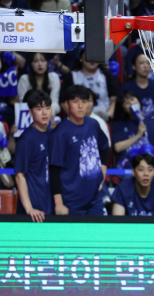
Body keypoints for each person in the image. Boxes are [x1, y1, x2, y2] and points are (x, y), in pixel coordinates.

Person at [50, 85, 109, 216]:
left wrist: (103, 171)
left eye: (84, 101)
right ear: (66, 104)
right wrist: (59, 204)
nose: (81, 106)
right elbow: (54, 170)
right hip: (71, 201)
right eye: (76, 102)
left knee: (99, 235)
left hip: (94, 197)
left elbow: (105, 147)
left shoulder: (93, 124)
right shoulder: (60, 133)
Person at [14, 90, 53, 222]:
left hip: (52, 206)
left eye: (47, 108)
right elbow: (20, 176)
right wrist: (29, 208)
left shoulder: (54, 135)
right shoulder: (26, 140)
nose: (44, 113)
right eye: (39, 109)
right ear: (30, 112)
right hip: (34, 211)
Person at [60, 47, 119, 120]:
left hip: (104, 117)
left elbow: (114, 100)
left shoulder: (107, 76)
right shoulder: (71, 76)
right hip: (78, 119)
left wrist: (108, 117)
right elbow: (63, 101)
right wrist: (75, 118)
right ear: (81, 59)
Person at [112, 90, 154, 169]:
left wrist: (143, 153)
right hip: (126, 162)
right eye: (126, 103)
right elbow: (117, 148)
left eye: (132, 99)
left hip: (148, 162)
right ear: (123, 109)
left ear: (139, 101)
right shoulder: (120, 124)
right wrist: (138, 135)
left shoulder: (152, 124)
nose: (131, 103)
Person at [119, 52, 154, 122]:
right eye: (141, 63)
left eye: (148, 63)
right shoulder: (126, 88)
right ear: (133, 66)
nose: (146, 66)